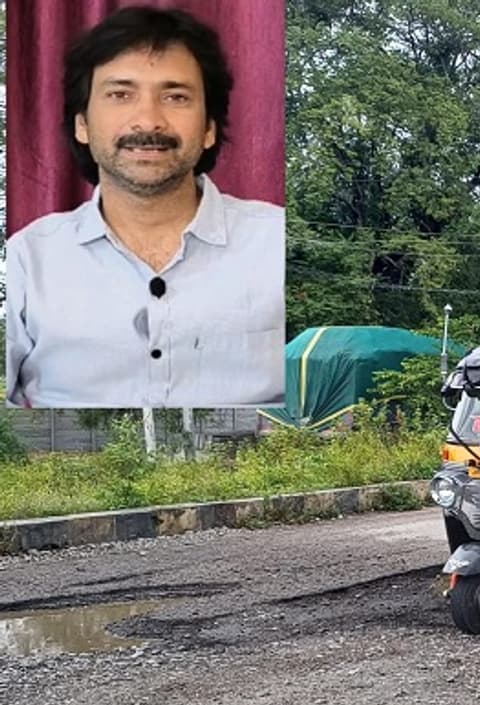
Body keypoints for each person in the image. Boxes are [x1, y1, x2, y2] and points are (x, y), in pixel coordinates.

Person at [5, 6, 284, 409]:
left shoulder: (277, 243)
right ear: (82, 123)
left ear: (209, 129)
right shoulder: (26, 260)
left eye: (175, 96)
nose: (149, 121)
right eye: (120, 94)